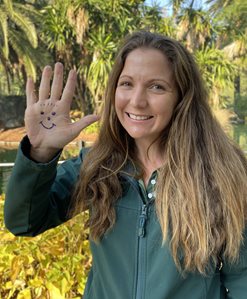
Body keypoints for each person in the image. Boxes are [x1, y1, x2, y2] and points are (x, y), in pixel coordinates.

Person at [4, 31, 247, 299]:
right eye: (127, 83)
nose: (137, 101)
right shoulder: (96, 166)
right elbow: (24, 223)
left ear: (182, 96)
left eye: (157, 86)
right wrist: (40, 153)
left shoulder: (221, 173)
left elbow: (242, 276)